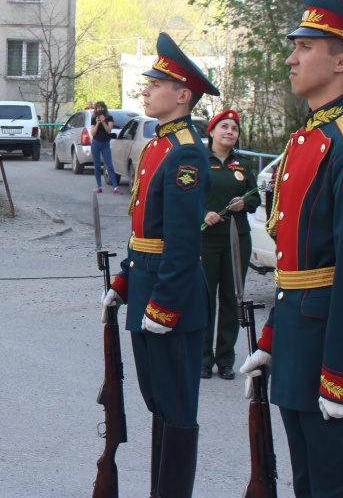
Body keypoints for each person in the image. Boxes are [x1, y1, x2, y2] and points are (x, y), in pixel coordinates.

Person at [240, 0, 343, 498]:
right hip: (301, 339)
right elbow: (297, 262)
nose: (290, 59)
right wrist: (273, 339)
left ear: (341, 61)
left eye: (304, 48)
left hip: (337, 353)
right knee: (309, 485)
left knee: (342, 488)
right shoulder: (313, 134)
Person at [101, 32, 218, 498]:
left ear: (182, 95)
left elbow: (183, 240)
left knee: (176, 408)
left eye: (154, 84)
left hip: (171, 296)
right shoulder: (158, 145)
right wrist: (126, 279)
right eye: (146, 83)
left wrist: (163, 304)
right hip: (147, 287)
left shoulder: (186, 150)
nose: (144, 91)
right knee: (158, 403)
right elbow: (146, 231)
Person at [199, 109, 259, 380]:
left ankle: (225, 359)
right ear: (211, 131)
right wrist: (203, 212)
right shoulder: (199, 160)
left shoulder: (243, 165)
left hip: (237, 239)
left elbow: (256, 198)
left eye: (234, 129)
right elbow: (185, 195)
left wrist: (244, 203)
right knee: (205, 298)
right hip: (206, 238)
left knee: (232, 299)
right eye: (224, 126)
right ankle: (202, 358)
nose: (229, 132)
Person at [89, 101, 121, 194]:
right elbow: (93, 133)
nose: (100, 110)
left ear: (105, 108)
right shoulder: (94, 118)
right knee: (97, 166)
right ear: (96, 109)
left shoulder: (109, 118)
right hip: (96, 143)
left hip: (105, 144)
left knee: (109, 165)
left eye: (102, 108)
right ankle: (99, 186)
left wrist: (103, 122)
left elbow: (108, 131)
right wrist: (98, 123)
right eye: (98, 108)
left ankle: (115, 187)